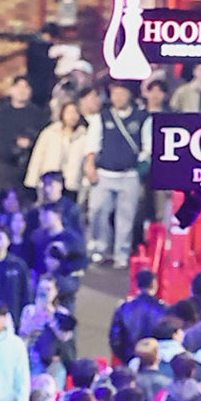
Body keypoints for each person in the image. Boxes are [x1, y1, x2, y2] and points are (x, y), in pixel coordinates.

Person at [83, 80, 146, 267]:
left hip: (129, 176)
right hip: (104, 174)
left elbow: (147, 148)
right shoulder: (101, 117)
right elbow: (92, 144)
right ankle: (98, 250)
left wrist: (137, 169)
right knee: (97, 212)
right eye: (114, 93)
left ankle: (121, 254)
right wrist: (90, 166)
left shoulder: (142, 118)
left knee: (126, 218)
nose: (117, 97)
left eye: (121, 92)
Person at [0, 72, 45, 198]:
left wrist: (30, 143)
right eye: (18, 87)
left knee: (27, 204)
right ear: (11, 90)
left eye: (26, 87)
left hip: (29, 168)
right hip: (5, 167)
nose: (22, 91)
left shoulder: (38, 115)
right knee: (5, 202)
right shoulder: (0, 113)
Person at [107, 268, 164, 364]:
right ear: (153, 284)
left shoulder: (124, 307)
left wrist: (125, 357)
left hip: (128, 358)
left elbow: (115, 338)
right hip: (153, 359)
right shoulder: (162, 308)